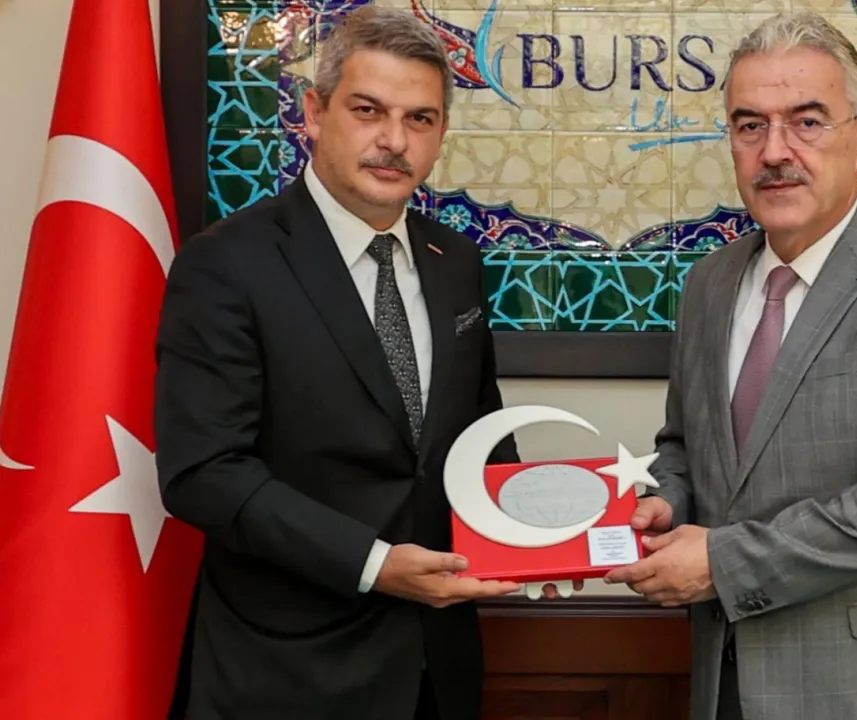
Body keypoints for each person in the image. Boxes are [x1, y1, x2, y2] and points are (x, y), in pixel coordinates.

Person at [154, 7, 573, 719]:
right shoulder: (225, 265)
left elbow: (477, 428)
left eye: (419, 119)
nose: (393, 141)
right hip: (287, 675)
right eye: (368, 110)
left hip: (437, 669)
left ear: (442, 132)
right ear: (314, 112)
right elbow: (204, 473)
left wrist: (538, 538)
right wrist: (375, 564)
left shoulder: (455, 261)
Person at [604, 11, 857, 720]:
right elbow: (686, 447)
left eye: (807, 122)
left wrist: (721, 562)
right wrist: (666, 502)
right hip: (727, 680)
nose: (774, 151)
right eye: (749, 125)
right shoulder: (710, 283)